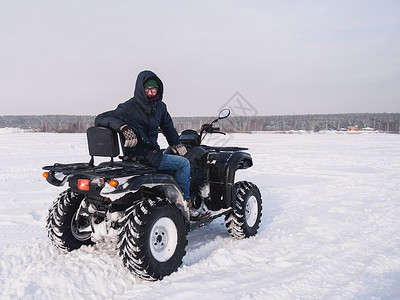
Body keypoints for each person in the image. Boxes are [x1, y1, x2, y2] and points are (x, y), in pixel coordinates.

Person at [94, 70, 208, 220]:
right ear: (140, 89)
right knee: (184, 164)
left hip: (151, 153)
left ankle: (170, 196)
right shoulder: (128, 107)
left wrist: (176, 143)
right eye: (147, 89)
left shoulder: (160, 107)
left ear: (158, 89)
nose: (150, 92)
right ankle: (185, 204)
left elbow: (168, 127)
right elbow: (100, 118)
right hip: (140, 155)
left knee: (174, 159)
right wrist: (122, 127)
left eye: (153, 89)